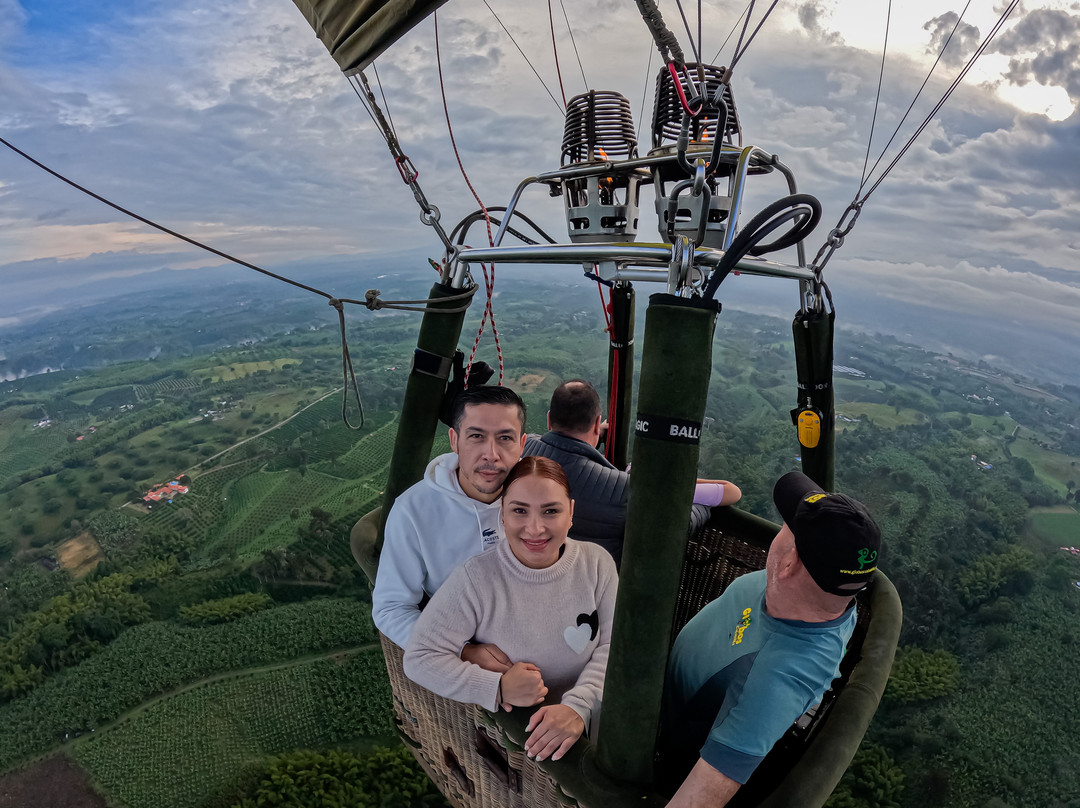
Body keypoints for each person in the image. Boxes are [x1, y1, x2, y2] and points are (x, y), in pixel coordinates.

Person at [659, 471, 882, 807]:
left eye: (785, 530)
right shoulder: (823, 600)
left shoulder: (772, 685)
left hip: (658, 735)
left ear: (789, 563)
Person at [403, 456, 618, 763]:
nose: (535, 528)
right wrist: (496, 687)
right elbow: (420, 657)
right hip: (519, 752)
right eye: (519, 510)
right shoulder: (477, 578)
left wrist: (578, 706)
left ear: (570, 512)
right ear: (502, 515)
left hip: (594, 730)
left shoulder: (596, 564)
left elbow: (614, 646)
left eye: (551, 511)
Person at [372, 385, 527, 648]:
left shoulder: (539, 497)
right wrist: (462, 654)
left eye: (505, 438)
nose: (491, 454)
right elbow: (392, 608)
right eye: (476, 436)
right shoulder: (414, 510)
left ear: (522, 444)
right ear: (454, 440)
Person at [523, 380, 741, 566]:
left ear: (549, 419)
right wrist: (702, 509)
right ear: (597, 424)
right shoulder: (624, 489)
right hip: (595, 601)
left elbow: (560, 451)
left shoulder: (521, 450)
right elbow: (728, 493)